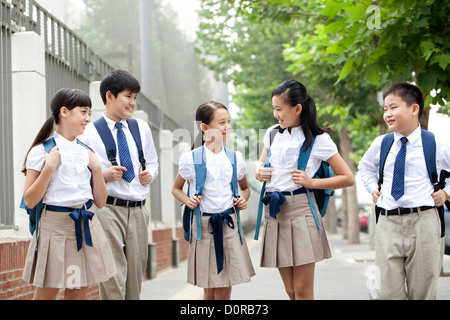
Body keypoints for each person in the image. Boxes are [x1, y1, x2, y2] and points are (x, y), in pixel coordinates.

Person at [255, 80, 354, 300]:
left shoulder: (319, 140)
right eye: (274, 109)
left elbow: (347, 177)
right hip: (275, 210)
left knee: (302, 289)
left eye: (279, 109)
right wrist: (259, 171)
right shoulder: (272, 134)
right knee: (290, 290)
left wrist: (312, 183)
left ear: (297, 108)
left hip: (302, 211)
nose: (275, 115)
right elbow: (261, 163)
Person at [21, 88, 116, 300]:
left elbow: (100, 201)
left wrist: (97, 169)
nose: (87, 119)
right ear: (64, 112)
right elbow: (29, 200)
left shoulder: (87, 151)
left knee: (78, 291)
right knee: (47, 292)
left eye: (88, 112)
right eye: (83, 112)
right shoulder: (41, 151)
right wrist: (49, 168)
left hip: (86, 223)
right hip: (54, 226)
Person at [358, 82, 450, 300]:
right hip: (388, 223)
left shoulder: (436, 143)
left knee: (423, 294)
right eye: (385, 109)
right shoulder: (381, 143)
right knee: (385, 293)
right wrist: (373, 188)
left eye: (393, 107)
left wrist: (446, 193)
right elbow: (365, 167)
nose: (387, 114)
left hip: (424, 222)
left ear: (414, 109)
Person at [82, 70, 159, 300]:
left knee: (135, 273)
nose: (133, 102)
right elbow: (80, 173)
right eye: (128, 96)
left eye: (135, 97)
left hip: (138, 210)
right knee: (113, 274)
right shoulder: (89, 132)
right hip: (108, 209)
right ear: (109, 96)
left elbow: (154, 162)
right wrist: (103, 175)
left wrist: (150, 174)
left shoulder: (140, 128)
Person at [172, 101, 255, 300]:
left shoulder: (235, 158)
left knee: (225, 285)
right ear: (205, 127)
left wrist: (242, 200)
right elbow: (176, 189)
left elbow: (244, 189)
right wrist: (188, 200)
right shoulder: (191, 159)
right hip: (203, 227)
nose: (228, 127)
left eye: (228, 122)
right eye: (222, 123)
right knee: (208, 288)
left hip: (229, 225)